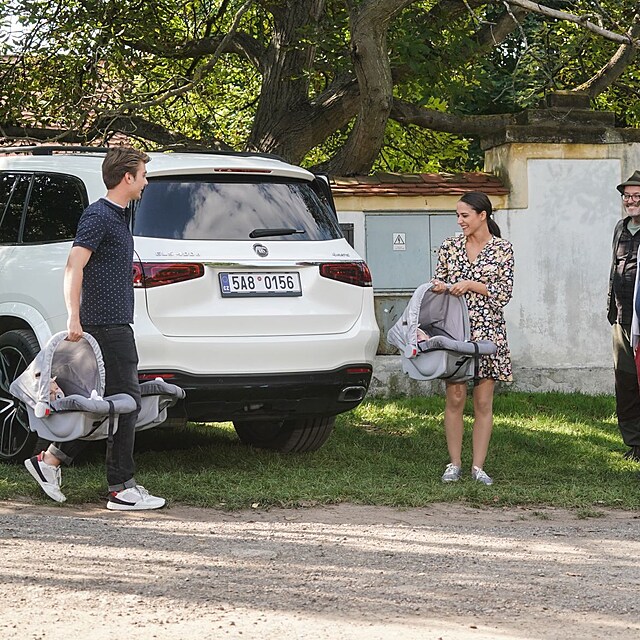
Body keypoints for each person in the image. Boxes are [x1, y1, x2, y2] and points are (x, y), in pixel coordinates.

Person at [24, 146, 166, 510]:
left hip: (117, 323)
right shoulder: (99, 216)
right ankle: (121, 488)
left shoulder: (119, 215)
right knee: (128, 403)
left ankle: (49, 460)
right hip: (105, 326)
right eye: (143, 175)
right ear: (127, 177)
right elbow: (74, 266)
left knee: (103, 407)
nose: (147, 181)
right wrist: (74, 316)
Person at [431, 191, 514, 486]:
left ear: (483, 216)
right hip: (455, 331)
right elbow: (437, 283)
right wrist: (441, 286)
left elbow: (503, 294)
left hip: (488, 331)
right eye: (457, 215)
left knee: (483, 401)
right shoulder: (449, 247)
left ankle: (478, 467)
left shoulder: (503, 249)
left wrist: (470, 285)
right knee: (454, 397)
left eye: (465, 215)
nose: (459, 221)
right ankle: (454, 464)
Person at [611, 170, 640, 462]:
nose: (631, 201)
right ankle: (634, 443)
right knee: (626, 383)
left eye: (636, 196)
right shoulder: (620, 228)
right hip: (621, 318)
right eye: (627, 196)